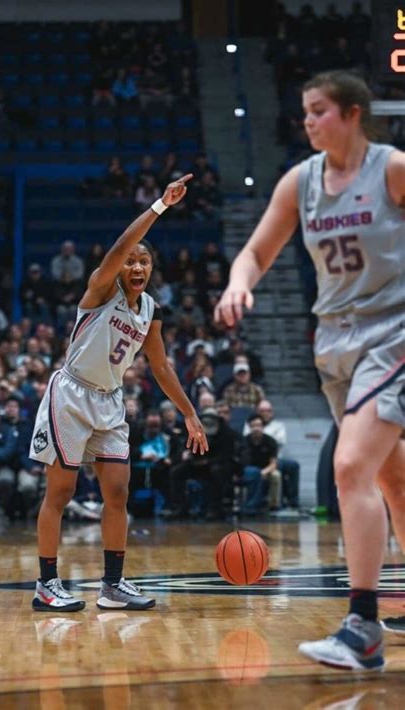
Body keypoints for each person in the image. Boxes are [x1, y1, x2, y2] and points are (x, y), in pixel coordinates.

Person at [215, 71, 405, 671]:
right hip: (335, 344)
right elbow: (256, 252)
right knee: (392, 480)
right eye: (303, 112)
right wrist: (237, 285)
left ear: (351, 114)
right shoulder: (301, 182)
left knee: (350, 467)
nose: (308, 121)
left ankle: (362, 627)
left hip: (394, 333)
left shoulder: (393, 168)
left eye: (319, 111)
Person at [29, 173, 208, 613]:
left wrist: (188, 413)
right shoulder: (101, 288)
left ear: (151, 270)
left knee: (118, 493)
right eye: (132, 261)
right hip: (70, 394)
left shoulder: (151, 310)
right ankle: (47, 583)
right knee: (60, 493)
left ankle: (112, 585)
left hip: (109, 401)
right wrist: (160, 207)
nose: (136, 267)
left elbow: (161, 365)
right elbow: (116, 250)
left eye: (144, 263)